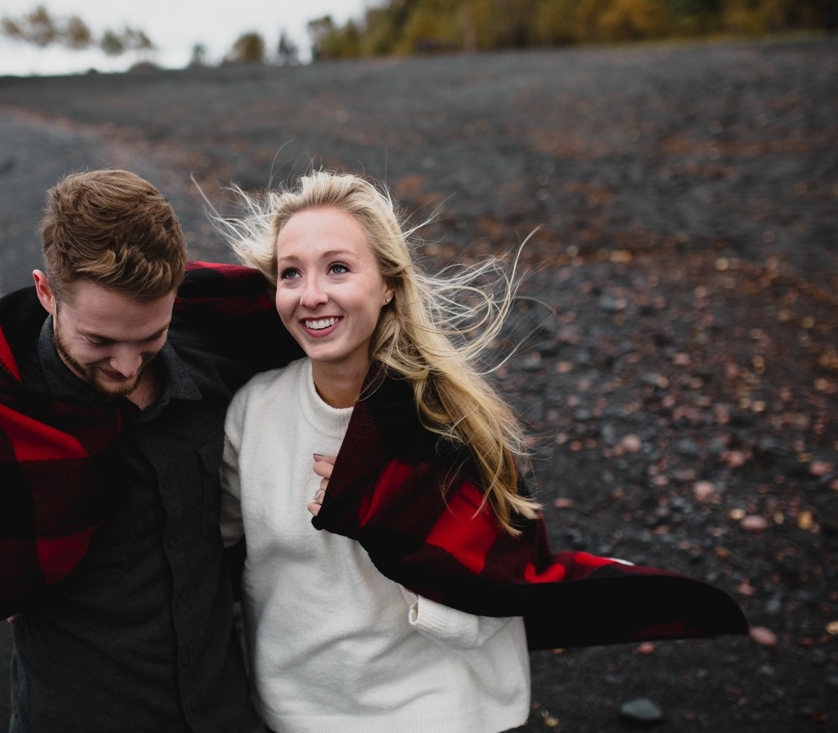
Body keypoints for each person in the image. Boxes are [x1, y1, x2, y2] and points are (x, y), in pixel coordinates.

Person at [215, 170, 748, 733]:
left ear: (389, 282)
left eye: (339, 268)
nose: (312, 294)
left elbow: (501, 587)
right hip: (294, 711)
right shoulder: (254, 411)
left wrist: (393, 517)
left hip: (438, 709)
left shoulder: (447, 419)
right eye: (290, 273)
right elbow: (213, 551)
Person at [0, 169, 297, 732]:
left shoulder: (222, 352)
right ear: (47, 292)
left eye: (150, 337)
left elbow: (336, 367)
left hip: (222, 708)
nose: (125, 365)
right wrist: (17, 567)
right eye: (98, 341)